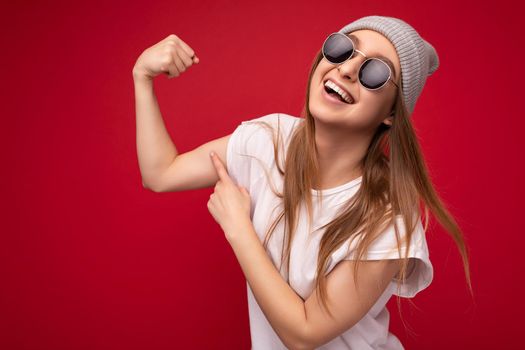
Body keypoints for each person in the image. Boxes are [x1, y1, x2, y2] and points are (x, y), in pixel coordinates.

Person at [133, 15, 472, 350]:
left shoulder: (389, 217)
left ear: (392, 114)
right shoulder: (268, 141)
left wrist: (238, 227)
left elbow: (304, 333)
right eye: (343, 48)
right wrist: (142, 77)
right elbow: (161, 173)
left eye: (376, 72)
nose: (347, 69)